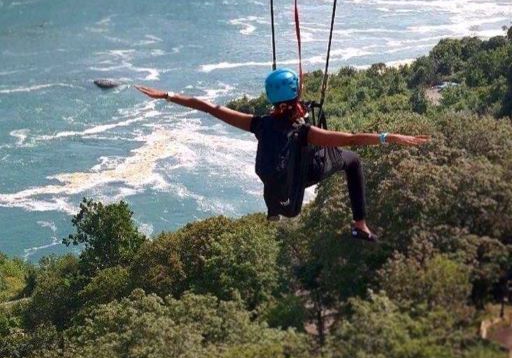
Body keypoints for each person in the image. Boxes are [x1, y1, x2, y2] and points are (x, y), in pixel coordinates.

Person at [136, 69, 429, 242]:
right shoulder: (305, 132)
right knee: (352, 160)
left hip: (282, 182)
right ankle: (360, 224)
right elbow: (351, 138)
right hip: (306, 173)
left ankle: (273, 212)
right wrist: (387, 137)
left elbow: (210, 108)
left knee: (274, 168)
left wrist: (167, 96)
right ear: (295, 96)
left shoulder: (259, 124)